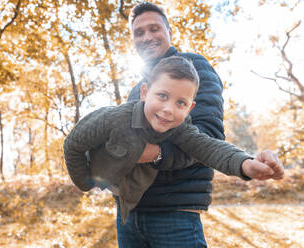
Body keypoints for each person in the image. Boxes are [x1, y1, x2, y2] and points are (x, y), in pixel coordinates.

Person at [117, 2, 283, 247]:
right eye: (139, 32)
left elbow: (207, 135)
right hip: (128, 216)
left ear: (169, 32)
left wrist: (244, 163)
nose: (147, 37)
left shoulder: (194, 69)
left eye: (154, 29)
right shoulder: (137, 91)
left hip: (173, 215)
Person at [63, 57, 284, 237]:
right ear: (144, 92)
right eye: (162, 96)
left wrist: (246, 163)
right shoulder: (112, 119)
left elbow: (208, 147)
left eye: (181, 103)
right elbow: (72, 144)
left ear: (190, 108)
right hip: (121, 200)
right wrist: (85, 182)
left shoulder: (179, 127)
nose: (168, 109)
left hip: (145, 202)